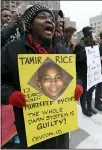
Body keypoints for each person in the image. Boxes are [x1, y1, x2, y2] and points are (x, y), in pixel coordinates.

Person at [1, 4, 83, 149]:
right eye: (42, 17)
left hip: (60, 123)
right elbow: (2, 82)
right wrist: (10, 95)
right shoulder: (13, 49)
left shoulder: (62, 50)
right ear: (30, 25)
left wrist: (77, 85)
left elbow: (74, 76)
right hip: (31, 125)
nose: (49, 20)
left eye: (51, 18)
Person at [74, 26, 100, 117]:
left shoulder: (94, 45)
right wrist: (87, 50)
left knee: (91, 90)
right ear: (89, 34)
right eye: (93, 33)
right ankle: (84, 109)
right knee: (84, 92)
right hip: (83, 73)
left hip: (92, 72)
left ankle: (89, 106)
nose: (95, 35)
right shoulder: (80, 45)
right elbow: (77, 59)